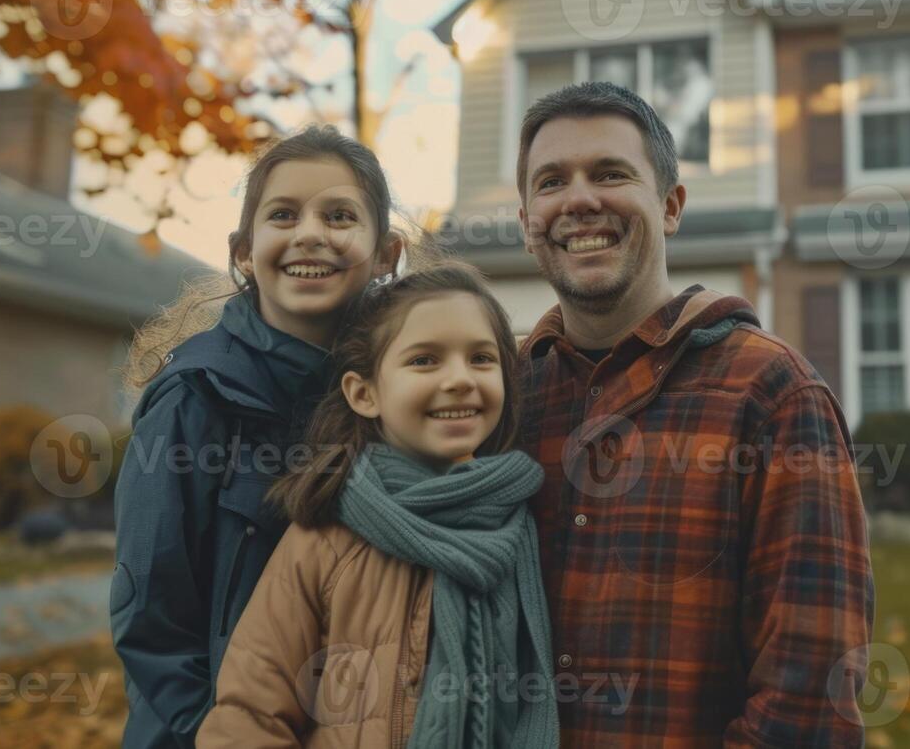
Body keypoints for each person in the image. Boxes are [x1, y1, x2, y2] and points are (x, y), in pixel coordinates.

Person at [514, 82, 874, 745]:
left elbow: (809, 696)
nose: (580, 199)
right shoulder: (500, 396)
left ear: (671, 205)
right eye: (552, 181)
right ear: (526, 220)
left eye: (611, 173)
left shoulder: (771, 394)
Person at [111, 125, 407, 748]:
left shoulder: (397, 405)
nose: (310, 233)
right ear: (244, 250)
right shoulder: (194, 399)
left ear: (386, 254)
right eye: (282, 214)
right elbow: (152, 623)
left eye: (339, 215)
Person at [197, 262, 558, 748]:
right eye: (424, 361)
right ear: (364, 394)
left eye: (481, 359)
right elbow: (249, 714)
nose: (459, 379)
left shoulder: (518, 525)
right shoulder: (324, 540)